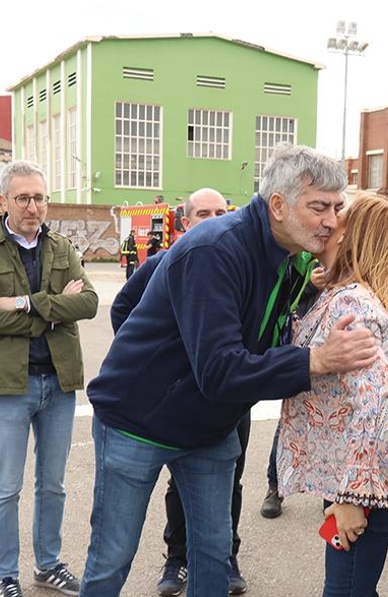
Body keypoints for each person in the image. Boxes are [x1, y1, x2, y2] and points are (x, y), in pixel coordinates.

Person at [81, 144, 379, 597]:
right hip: (136, 425)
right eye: (319, 206)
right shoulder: (214, 249)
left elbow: (270, 337)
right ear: (277, 206)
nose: (333, 220)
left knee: (214, 555)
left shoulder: (295, 259)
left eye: (338, 207)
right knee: (112, 558)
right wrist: (315, 361)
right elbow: (218, 370)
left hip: (211, 427)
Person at [278, 192, 388, 597]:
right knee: (353, 587)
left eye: (338, 214)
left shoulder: (353, 305)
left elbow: (374, 403)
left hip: (366, 486)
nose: (326, 220)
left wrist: (351, 497)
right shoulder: (346, 294)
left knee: (344, 592)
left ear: (351, 235)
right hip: (362, 478)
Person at [109, 188, 251, 596]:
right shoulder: (163, 263)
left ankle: (227, 556)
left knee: (232, 481)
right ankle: (177, 559)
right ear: (184, 222)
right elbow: (123, 310)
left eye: (221, 212)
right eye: (203, 213)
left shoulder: (239, 266)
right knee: (178, 484)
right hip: (179, 400)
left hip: (228, 397)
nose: (212, 219)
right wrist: (156, 369)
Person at [0, 161, 99, 597]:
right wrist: (52, 309)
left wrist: (24, 304)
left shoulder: (61, 247)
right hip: (8, 385)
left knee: (53, 485)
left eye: (39, 197)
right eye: (22, 198)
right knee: (6, 488)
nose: (32, 206)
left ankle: (48, 565)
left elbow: (90, 303)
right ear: (4, 200)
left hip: (58, 382)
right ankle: (6, 574)